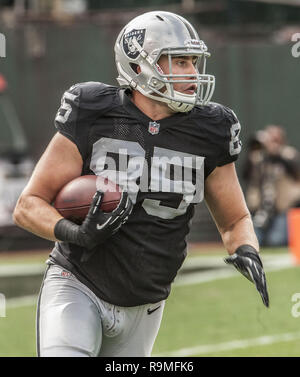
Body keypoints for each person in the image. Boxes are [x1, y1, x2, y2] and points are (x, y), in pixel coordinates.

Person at [13, 11, 269, 357]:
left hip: (146, 303)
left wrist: (245, 249)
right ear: (139, 66)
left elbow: (235, 220)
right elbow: (28, 205)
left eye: (193, 61)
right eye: (179, 62)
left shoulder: (211, 129)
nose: (193, 73)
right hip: (78, 283)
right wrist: (74, 234)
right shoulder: (94, 110)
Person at [243, 125, 300, 247]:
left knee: (276, 241)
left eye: (274, 139)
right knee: (254, 241)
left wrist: (276, 153)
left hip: (283, 209)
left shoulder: (288, 153)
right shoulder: (258, 157)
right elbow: (245, 175)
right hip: (261, 210)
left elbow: (295, 171)